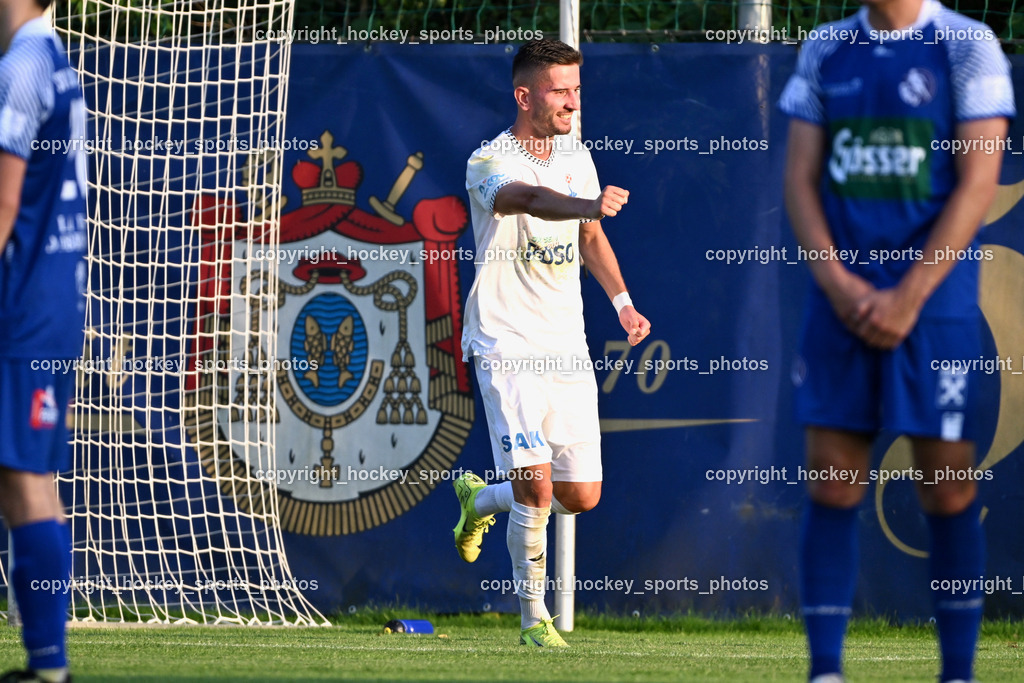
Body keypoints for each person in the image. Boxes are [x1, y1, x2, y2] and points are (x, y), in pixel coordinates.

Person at [779, 0, 1013, 680]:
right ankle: (826, 670)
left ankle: (958, 672)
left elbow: (976, 186)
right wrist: (841, 285)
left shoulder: (967, 46)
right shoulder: (826, 47)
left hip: (933, 306)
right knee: (832, 479)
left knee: (946, 484)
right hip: (841, 302)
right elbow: (800, 180)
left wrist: (909, 295)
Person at [454, 38, 650, 647]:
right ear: (524, 96)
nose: (572, 101)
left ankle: (480, 499)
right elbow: (529, 199)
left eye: (576, 90)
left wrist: (622, 303)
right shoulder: (489, 162)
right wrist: (588, 203)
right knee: (536, 489)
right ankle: (533, 619)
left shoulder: (577, 155)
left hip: (565, 345)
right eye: (559, 90)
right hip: (505, 341)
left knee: (579, 495)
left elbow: (590, 236)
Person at [0, 0, 88, 679]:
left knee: (26, 478)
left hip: (27, 306)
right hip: (52, 300)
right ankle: (45, 661)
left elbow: (4, 200)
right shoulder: (55, 63)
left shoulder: (24, 64)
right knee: (29, 479)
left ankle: (49, 664)